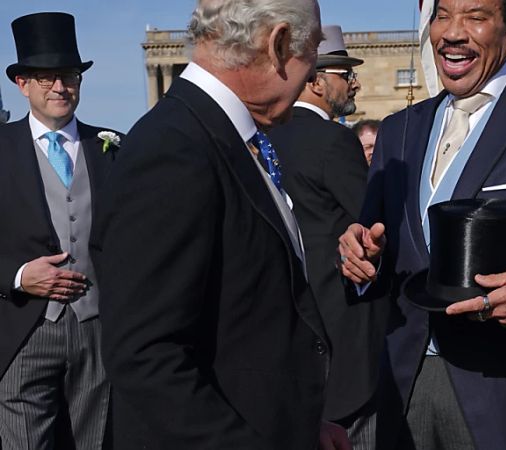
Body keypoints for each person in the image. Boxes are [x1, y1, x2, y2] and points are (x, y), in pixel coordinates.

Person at [338, 0, 506, 447]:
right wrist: (358, 258)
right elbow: (376, 246)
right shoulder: (398, 129)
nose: (452, 32)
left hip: (505, 389)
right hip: (403, 389)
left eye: (476, 17)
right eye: (442, 15)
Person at [92, 1, 348, 448]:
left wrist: (301, 427)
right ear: (279, 43)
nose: (312, 74)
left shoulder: (221, 136)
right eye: (311, 51)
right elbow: (147, 359)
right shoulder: (173, 151)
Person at [0, 12, 121, 448]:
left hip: (99, 334)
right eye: (47, 76)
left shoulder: (112, 148)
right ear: (22, 84)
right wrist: (16, 276)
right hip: (22, 334)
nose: (59, 87)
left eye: (68, 75)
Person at [267, 24, 384, 448]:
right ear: (315, 81)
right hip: (341, 323)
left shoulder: (262, 137)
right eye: (343, 74)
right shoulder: (334, 141)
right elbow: (372, 222)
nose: (353, 82)